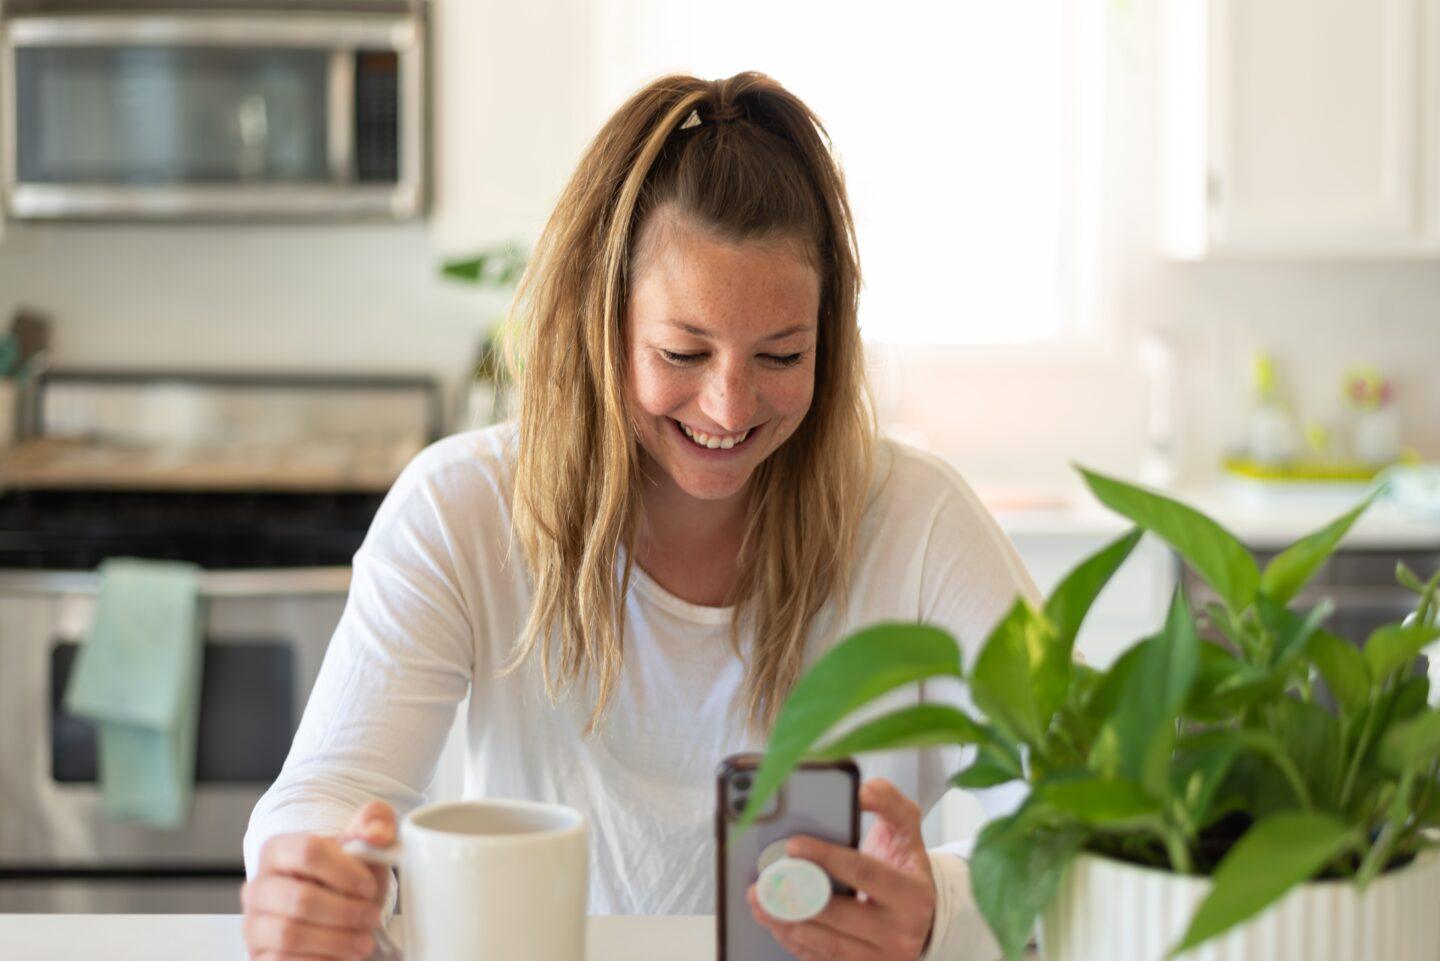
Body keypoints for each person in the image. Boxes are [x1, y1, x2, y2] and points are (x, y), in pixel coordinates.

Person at [241, 71, 1038, 961]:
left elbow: (1089, 811)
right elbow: (332, 784)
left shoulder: (920, 526)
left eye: (782, 354)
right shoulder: (461, 508)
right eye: (682, 351)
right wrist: (306, 876)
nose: (730, 405)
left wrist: (945, 912)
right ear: (601, 321)